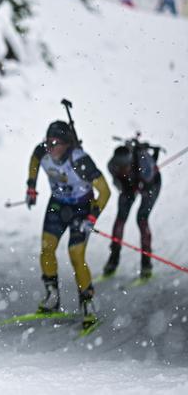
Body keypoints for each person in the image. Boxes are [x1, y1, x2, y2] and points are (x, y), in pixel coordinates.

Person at [25, 121, 110, 330]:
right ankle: (52, 296)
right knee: (46, 249)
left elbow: (105, 191)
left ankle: (88, 303)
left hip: (81, 208)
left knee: (76, 254)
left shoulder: (80, 161)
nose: (50, 147)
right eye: (47, 142)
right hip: (57, 203)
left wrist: (92, 218)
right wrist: (31, 186)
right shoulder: (42, 151)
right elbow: (34, 160)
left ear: (66, 144)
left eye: (55, 143)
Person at [103, 141, 161, 279]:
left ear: (131, 163)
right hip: (130, 184)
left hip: (150, 183)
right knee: (120, 218)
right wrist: (127, 186)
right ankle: (113, 259)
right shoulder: (111, 166)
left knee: (141, 219)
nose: (122, 170)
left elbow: (149, 182)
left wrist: (142, 185)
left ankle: (146, 264)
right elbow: (119, 184)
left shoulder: (144, 164)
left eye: (125, 167)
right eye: (120, 167)